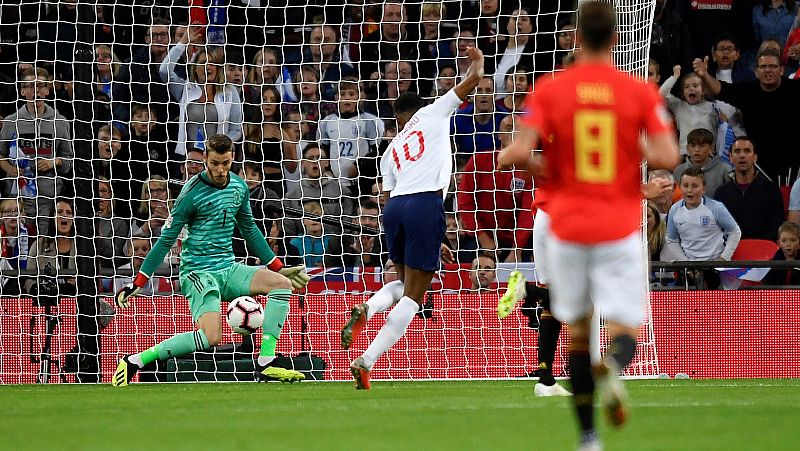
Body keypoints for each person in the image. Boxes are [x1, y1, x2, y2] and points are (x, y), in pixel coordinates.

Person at [496, 3, 680, 448]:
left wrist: (550, 169)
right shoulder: (636, 91)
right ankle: (613, 366)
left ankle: (588, 437)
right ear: (616, 38)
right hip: (617, 227)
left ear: (575, 38)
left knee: (577, 333)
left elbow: (512, 155)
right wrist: (626, 144)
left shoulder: (550, 90)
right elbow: (667, 157)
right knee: (622, 331)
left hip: (564, 225)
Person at [112, 134, 311, 387]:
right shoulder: (190, 194)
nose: (220, 169)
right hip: (198, 273)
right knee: (210, 337)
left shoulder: (238, 187)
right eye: (214, 163)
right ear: (205, 158)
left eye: (225, 163)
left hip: (228, 268)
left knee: (281, 284)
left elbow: (249, 229)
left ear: (233, 158)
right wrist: (138, 281)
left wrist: (278, 266)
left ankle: (266, 363)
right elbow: (165, 240)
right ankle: (136, 361)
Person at [339, 46, 485, 390]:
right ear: (417, 110)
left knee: (404, 284)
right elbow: (474, 79)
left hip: (395, 212)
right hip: (425, 205)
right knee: (415, 297)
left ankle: (369, 307)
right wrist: (476, 59)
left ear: (397, 118)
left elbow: (386, 199)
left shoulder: (390, 151)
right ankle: (367, 358)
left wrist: (439, 240)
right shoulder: (434, 112)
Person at [0, 68, 73, 235]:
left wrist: (53, 162)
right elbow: (1, 155)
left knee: (45, 243)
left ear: (48, 90)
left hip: (50, 197)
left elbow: (69, 160)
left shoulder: (60, 122)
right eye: (30, 86)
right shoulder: (11, 122)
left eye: (40, 85)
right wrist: (9, 169)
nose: (36, 90)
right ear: (22, 91)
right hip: (18, 197)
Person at [666, 167, 742, 288]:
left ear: (703, 189)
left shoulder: (716, 208)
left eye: (694, 186)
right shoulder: (675, 210)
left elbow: (734, 231)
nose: (689, 190)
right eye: (685, 185)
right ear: (680, 188)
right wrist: (686, 264)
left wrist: (723, 258)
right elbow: (671, 240)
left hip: (715, 269)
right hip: (689, 269)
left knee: (715, 306)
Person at [713, 136, 785, 241]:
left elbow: (777, 226)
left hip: (764, 251)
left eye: (747, 151)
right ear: (730, 158)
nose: (742, 155)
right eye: (737, 151)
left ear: (755, 157)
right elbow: (717, 228)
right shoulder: (721, 193)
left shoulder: (771, 189)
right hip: (731, 251)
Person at [672, 128, 732, 197]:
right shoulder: (679, 171)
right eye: (693, 146)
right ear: (687, 148)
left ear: (711, 148)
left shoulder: (724, 169)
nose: (697, 150)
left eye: (702, 146)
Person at [763, 221, 800, 285]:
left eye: (793, 240)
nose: (788, 244)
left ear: (799, 243)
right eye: (784, 241)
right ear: (778, 243)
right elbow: (769, 285)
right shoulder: (773, 263)